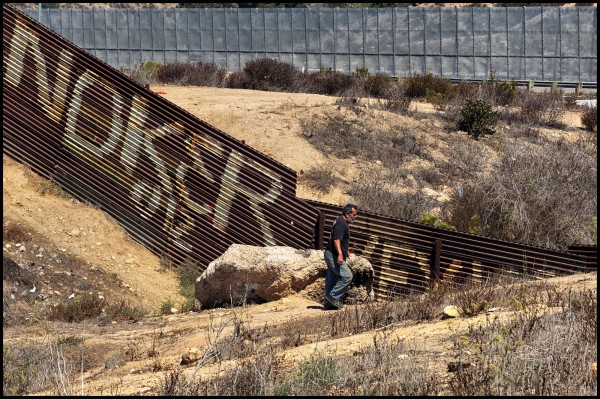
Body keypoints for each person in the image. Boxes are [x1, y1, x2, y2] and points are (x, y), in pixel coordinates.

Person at [324, 204, 358, 310]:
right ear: (347, 214)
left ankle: (329, 304)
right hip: (333, 254)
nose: (355, 217)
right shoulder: (341, 223)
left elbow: (341, 239)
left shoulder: (340, 221)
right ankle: (333, 296)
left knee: (333, 278)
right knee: (347, 276)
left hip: (331, 253)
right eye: (354, 214)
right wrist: (339, 254)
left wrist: (345, 250)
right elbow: (336, 240)